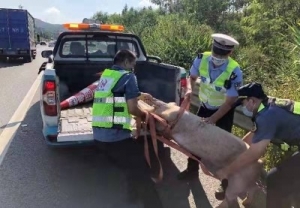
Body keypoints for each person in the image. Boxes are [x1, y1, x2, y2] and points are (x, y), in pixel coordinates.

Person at [92, 49, 163, 208]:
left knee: (132, 164)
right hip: (115, 137)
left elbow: (117, 93)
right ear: (125, 62)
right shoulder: (128, 76)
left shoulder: (107, 75)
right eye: (133, 64)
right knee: (143, 172)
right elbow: (132, 109)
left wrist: (139, 94)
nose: (133, 68)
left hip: (99, 136)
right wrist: (146, 117)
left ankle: (132, 195)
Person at [215, 82, 300, 208]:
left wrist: (227, 171)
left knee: (275, 179)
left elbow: (255, 153)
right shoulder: (268, 105)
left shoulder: (267, 116)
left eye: (243, 104)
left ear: (252, 101)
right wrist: (236, 153)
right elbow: (253, 135)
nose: (243, 107)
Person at [178, 33, 243, 180]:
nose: (217, 57)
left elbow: (230, 101)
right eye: (216, 52)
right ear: (212, 47)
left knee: (223, 148)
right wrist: (189, 89)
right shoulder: (202, 58)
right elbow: (192, 77)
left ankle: (225, 182)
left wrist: (214, 119)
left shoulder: (234, 71)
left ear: (230, 52)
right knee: (195, 140)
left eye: (222, 54)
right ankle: (192, 171)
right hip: (205, 106)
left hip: (224, 111)